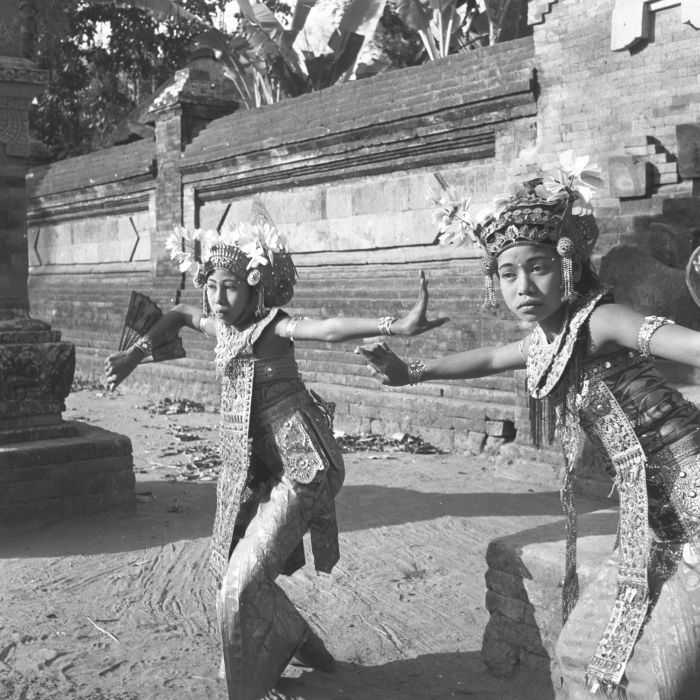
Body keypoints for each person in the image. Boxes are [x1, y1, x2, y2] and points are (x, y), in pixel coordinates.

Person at [359, 153, 700, 699]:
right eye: (507, 272)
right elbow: (489, 358)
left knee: (665, 675)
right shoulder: (543, 341)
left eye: (537, 267)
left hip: (693, 488)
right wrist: (410, 372)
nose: (523, 286)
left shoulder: (602, 322)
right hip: (646, 513)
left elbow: (685, 344)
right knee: (583, 653)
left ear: (567, 264)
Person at [103, 219, 446, 700]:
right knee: (228, 571)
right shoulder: (219, 324)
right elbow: (180, 313)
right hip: (251, 468)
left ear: (255, 288)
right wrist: (137, 354)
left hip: (303, 466)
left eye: (231, 289)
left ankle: (248, 685)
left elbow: (326, 329)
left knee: (239, 588)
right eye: (213, 287)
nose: (219, 300)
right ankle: (302, 643)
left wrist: (396, 325)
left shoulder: (273, 327)